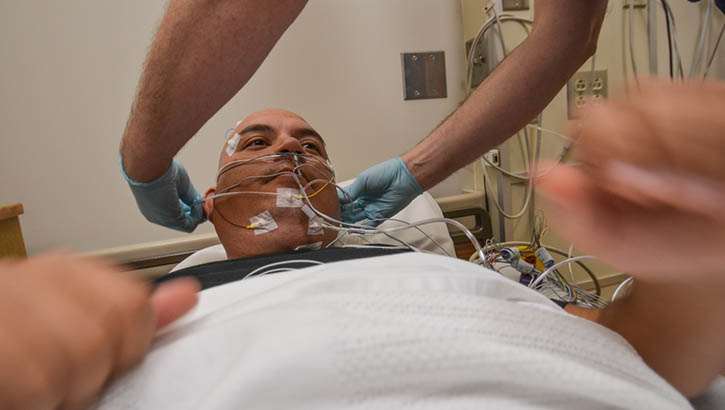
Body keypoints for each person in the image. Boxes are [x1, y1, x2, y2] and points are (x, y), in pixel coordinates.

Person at [119, 0, 607, 232]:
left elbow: (571, 33)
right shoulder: (182, 315)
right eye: (255, 143)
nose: (290, 149)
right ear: (211, 202)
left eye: (310, 147)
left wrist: (145, 162)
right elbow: (569, 35)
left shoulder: (431, 280)